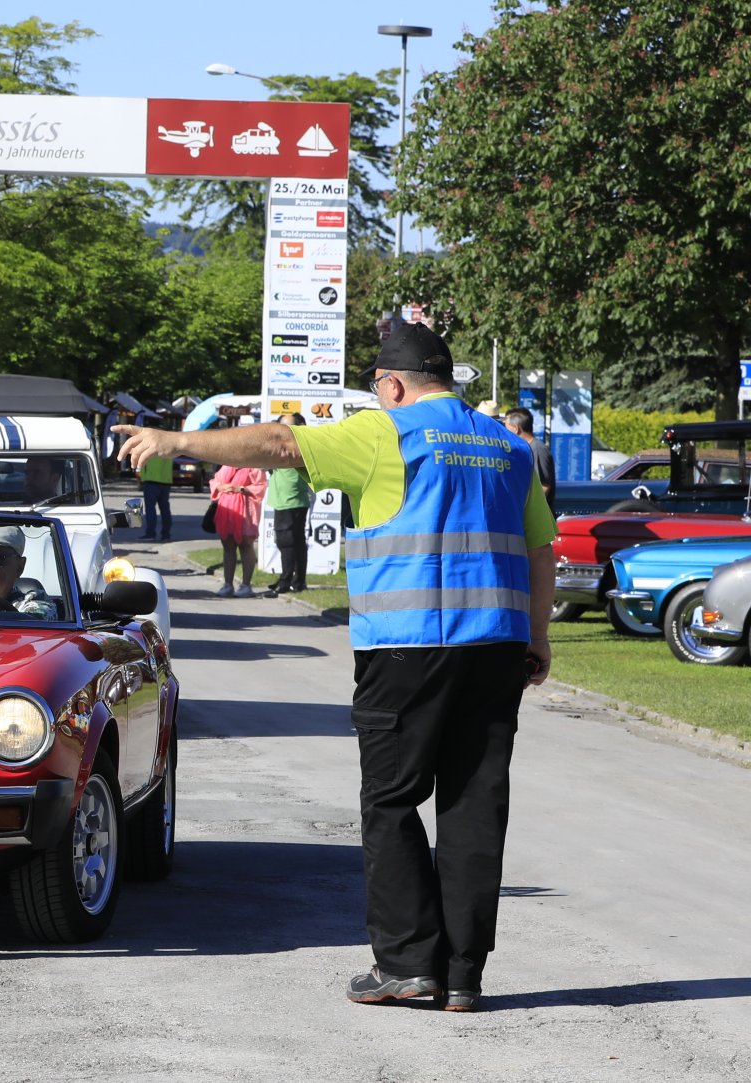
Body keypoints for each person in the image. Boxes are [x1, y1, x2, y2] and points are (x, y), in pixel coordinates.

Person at [113, 321, 555, 1011]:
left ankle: (407, 963)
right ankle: (464, 974)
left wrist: (177, 442)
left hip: (406, 645)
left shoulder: (387, 432)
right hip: (497, 645)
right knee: (474, 805)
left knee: (392, 798)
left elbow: (281, 444)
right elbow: (540, 550)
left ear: (392, 384)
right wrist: (539, 637)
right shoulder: (508, 445)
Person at [266, 412, 313, 595]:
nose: (282, 430)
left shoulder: (292, 445)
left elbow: (265, 459)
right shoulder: (297, 444)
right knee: (296, 542)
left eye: (286, 426)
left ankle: (286, 581)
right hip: (291, 499)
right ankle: (297, 581)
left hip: (289, 499)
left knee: (286, 542)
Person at [209, 464, 266, 597]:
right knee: (228, 546)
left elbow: (261, 487)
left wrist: (240, 488)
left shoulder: (254, 466)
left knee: (246, 545)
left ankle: (246, 585)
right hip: (226, 508)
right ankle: (228, 584)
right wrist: (220, 487)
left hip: (246, 510)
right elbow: (215, 481)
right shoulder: (226, 464)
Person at [501, 406, 556, 509]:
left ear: (516, 429)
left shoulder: (537, 449)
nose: (504, 432)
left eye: (506, 427)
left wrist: (523, 509)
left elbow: (544, 486)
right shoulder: (527, 449)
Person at [138, 425, 174, 541]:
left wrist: (141, 476)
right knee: (165, 509)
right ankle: (166, 534)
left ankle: (150, 533)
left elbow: (143, 461)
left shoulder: (151, 446)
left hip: (151, 480)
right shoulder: (169, 447)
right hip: (165, 481)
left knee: (150, 509)